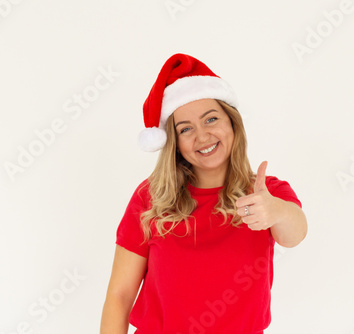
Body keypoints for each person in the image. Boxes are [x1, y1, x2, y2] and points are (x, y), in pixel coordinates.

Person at [100, 53, 307, 334]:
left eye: (211, 119)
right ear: (175, 143)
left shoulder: (265, 193)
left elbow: (295, 234)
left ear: (232, 123)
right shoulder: (151, 198)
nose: (202, 136)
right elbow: (119, 296)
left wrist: (277, 211)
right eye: (186, 129)